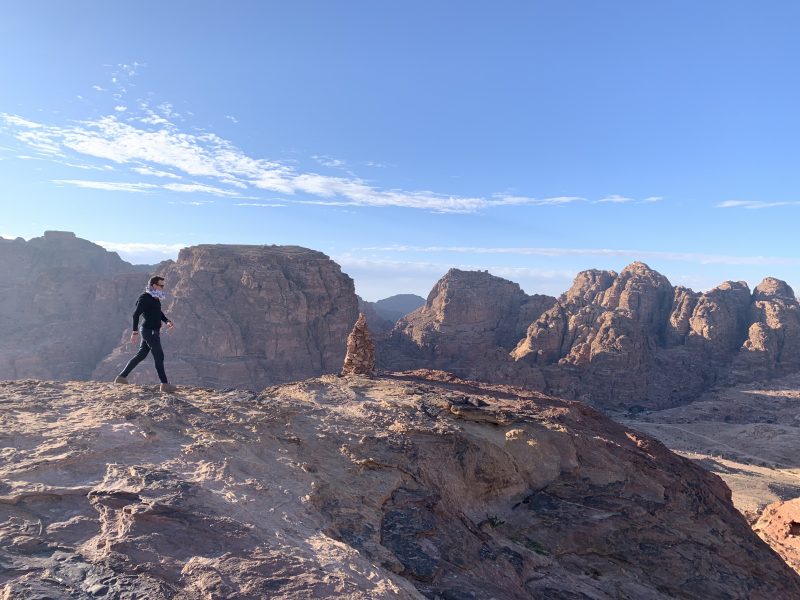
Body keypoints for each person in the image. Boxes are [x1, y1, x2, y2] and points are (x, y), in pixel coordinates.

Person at [114, 276, 177, 392]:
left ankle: (121, 377)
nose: (163, 288)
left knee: (141, 355)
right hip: (149, 331)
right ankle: (164, 384)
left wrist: (167, 321)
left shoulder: (155, 298)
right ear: (154, 285)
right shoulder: (145, 297)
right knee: (159, 355)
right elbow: (136, 314)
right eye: (161, 285)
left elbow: (158, 312)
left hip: (153, 331)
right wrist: (134, 332)